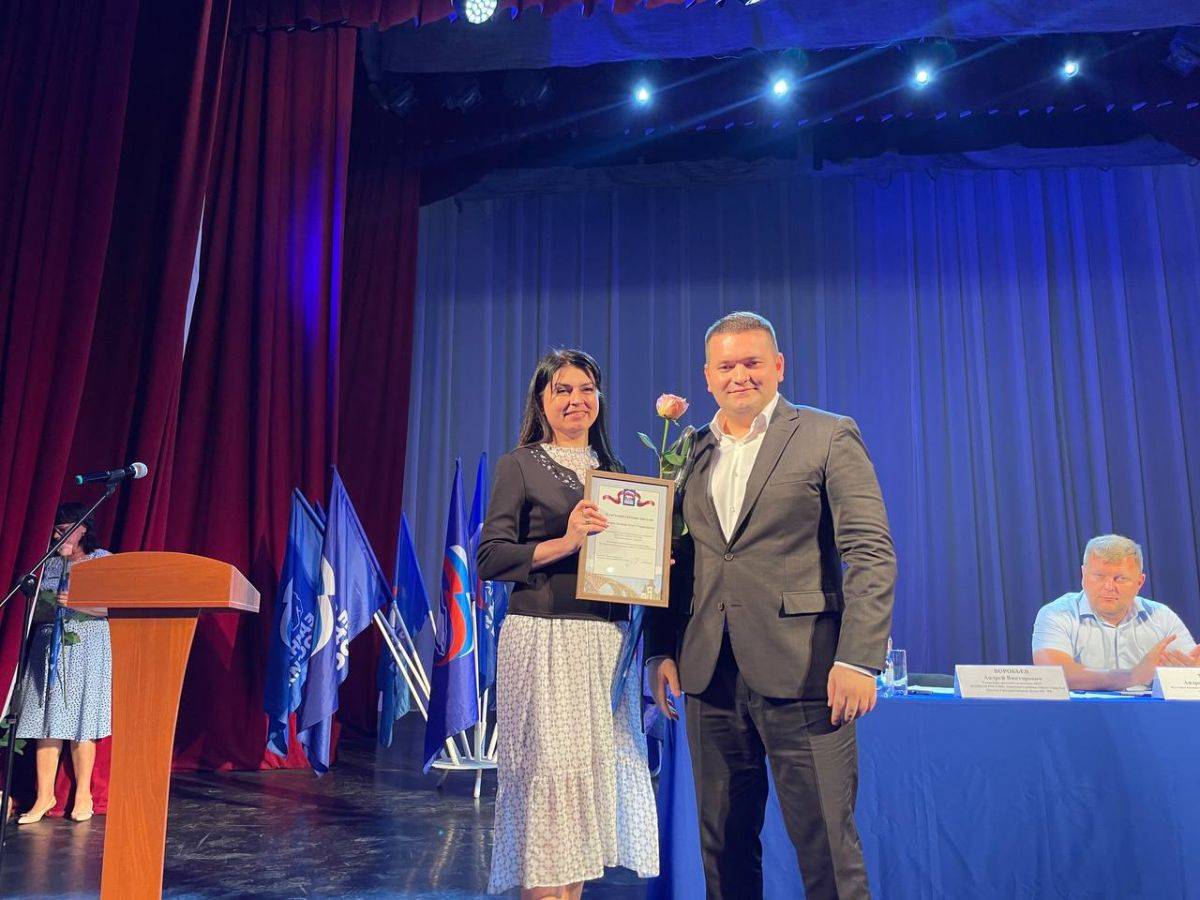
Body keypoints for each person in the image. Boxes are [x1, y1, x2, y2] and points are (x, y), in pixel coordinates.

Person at [646, 311, 896, 900]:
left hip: (807, 673)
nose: (739, 376)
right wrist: (660, 648)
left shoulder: (828, 434)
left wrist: (859, 659)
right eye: (726, 366)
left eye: (752, 362)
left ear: (778, 366)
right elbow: (672, 560)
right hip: (708, 676)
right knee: (723, 851)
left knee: (828, 851)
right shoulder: (687, 451)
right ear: (708, 377)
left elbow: (870, 551)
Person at [477, 349, 658, 900]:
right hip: (545, 638)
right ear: (541, 401)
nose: (576, 399)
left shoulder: (617, 473)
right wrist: (567, 541)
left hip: (605, 644)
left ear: (599, 398)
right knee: (550, 786)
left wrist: (655, 564)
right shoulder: (520, 465)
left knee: (584, 793)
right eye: (562, 389)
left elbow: (629, 564)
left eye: (586, 389)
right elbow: (490, 557)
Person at [14, 503, 113, 824]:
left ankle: (83, 793)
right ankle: (44, 795)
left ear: (84, 528)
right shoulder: (48, 563)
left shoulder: (103, 560)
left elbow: (116, 607)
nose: (60, 535)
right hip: (47, 645)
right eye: (56, 529)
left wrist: (80, 604)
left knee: (82, 718)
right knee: (45, 718)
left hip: (87, 643)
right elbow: (33, 611)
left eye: (66, 528)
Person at [1032, 534, 1199, 690]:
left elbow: (1192, 666)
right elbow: (1053, 674)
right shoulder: (1057, 613)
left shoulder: (1161, 616)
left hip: (1151, 711)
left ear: (1139, 582)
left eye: (1120, 578)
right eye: (1098, 576)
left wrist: (1191, 675)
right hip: (1082, 711)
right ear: (1083, 575)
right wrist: (1131, 676)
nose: (1109, 587)